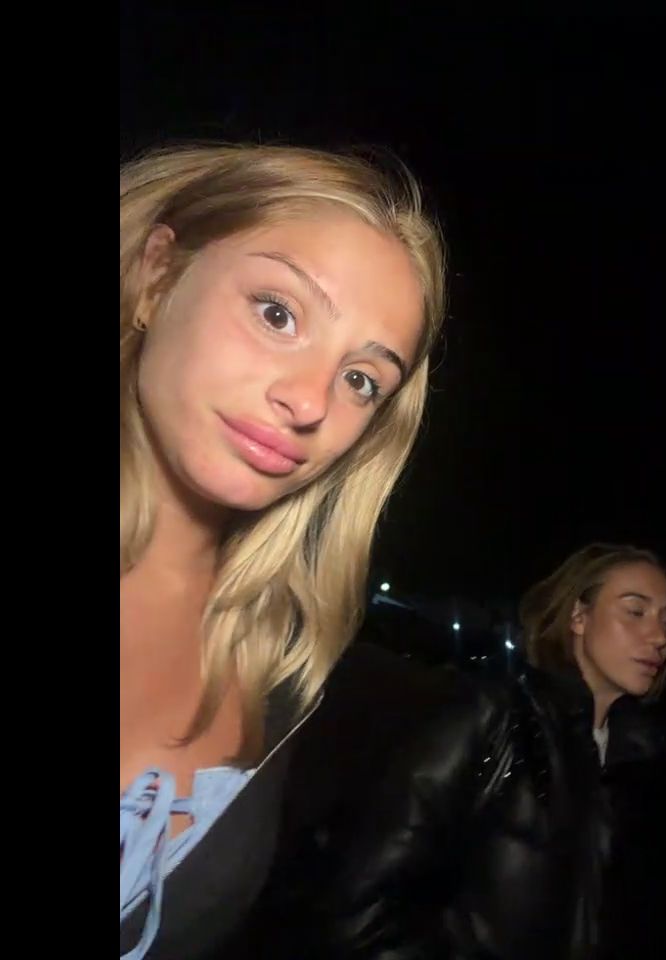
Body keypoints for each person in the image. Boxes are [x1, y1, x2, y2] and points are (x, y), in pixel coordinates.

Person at [119, 142, 446, 959]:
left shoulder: (280, 668)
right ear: (157, 278)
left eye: (361, 379)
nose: (308, 402)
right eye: (277, 313)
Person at [316, 542, 666, 960]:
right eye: (635, 612)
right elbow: (364, 908)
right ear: (578, 617)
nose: (660, 637)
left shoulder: (638, 767)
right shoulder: (494, 717)